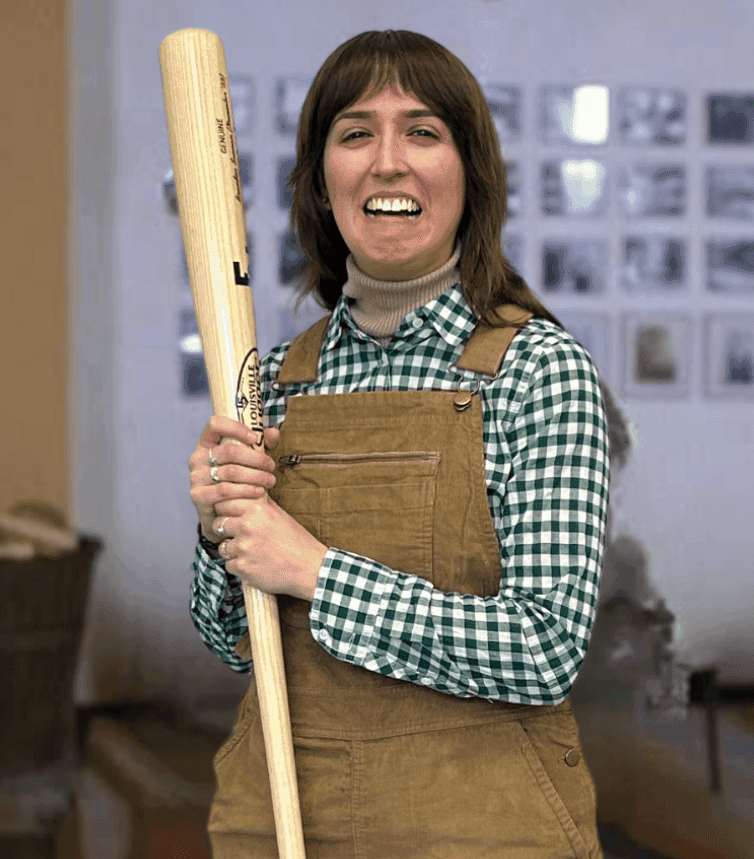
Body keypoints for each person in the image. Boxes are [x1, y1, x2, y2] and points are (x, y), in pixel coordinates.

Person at [186, 30, 609, 858]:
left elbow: (544, 648)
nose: (388, 163)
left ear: (469, 172)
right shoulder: (272, 381)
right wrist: (217, 529)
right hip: (283, 817)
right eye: (355, 133)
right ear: (322, 181)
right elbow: (231, 640)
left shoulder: (537, 371)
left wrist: (315, 571)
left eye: (422, 131)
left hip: (480, 827)